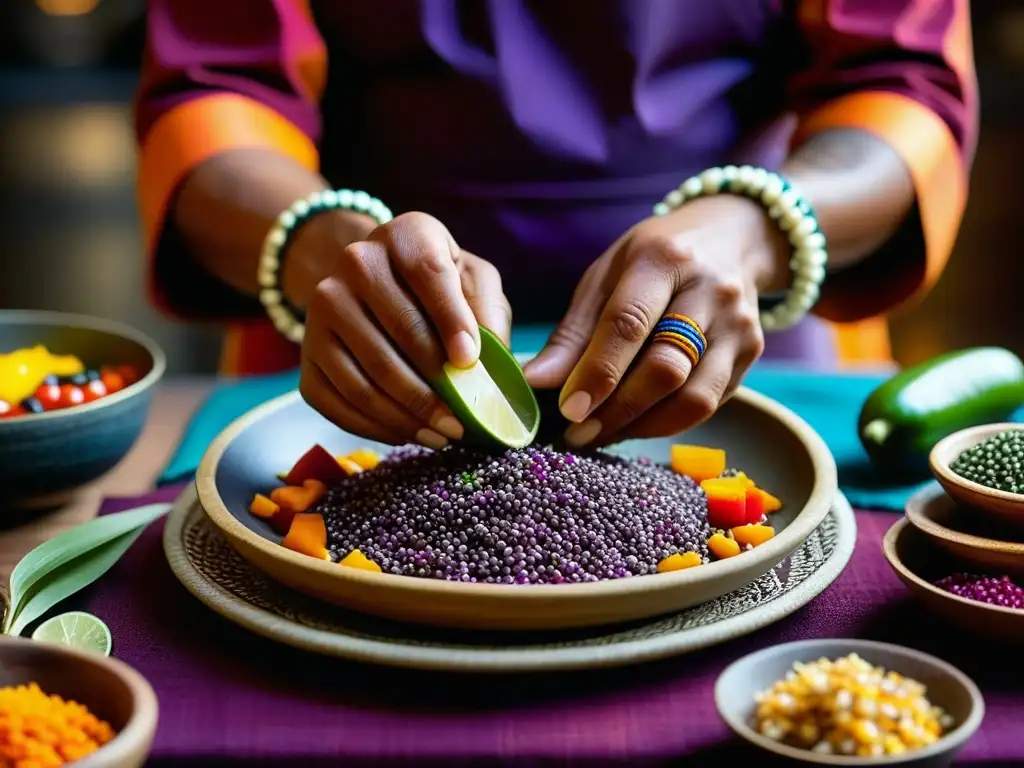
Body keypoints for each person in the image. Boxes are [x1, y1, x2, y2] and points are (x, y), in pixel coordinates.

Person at [135, 0, 976, 450]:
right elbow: (217, 87)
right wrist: (325, 241)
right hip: (362, 344)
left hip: (731, 333)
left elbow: (903, 76)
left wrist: (757, 226)